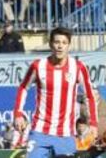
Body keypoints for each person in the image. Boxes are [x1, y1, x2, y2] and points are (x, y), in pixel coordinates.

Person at [13, 27, 98, 158]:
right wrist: (18, 113)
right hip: (40, 132)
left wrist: (93, 123)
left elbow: (90, 96)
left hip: (65, 135)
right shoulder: (38, 66)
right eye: (57, 42)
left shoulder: (78, 67)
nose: (60, 46)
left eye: (64, 43)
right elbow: (23, 87)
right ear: (50, 44)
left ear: (69, 46)